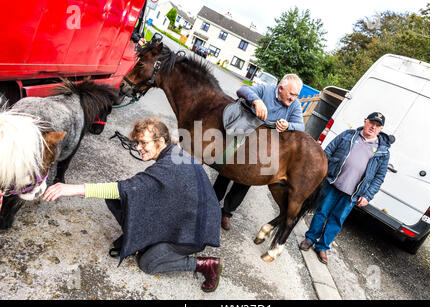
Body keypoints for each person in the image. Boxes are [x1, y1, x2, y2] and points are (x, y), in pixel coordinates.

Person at [43, 118, 223, 292]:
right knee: (143, 203)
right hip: (195, 220)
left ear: (160, 141)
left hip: (194, 234)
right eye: (137, 143)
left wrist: (74, 189)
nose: (138, 148)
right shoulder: (175, 154)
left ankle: (206, 265)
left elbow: (124, 190)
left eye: (143, 143)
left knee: (148, 263)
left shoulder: (168, 167)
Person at [214, 74, 305, 230]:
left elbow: (301, 126)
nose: (294, 98)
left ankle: (226, 213)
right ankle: (212, 203)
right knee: (226, 170)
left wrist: (288, 125)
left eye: (297, 95)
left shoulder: (294, 105)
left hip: (263, 147)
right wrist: (256, 100)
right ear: (280, 88)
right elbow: (242, 90)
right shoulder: (265, 90)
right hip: (244, 136)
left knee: (246, 180)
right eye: (292, 94)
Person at [299, 112, 391, 264]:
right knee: (321, 212)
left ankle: (322, 247)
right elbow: (328, 151)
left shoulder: (383, 152)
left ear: (381, 129)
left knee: (337, 220)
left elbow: (379, 177)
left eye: (377, 125)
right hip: (333, 183)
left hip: (353, 193)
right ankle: (310, 238)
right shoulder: (348, 135)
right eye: (371, 123)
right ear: (365, 121)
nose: (373, 127)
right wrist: (322, 171)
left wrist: (368, 195)